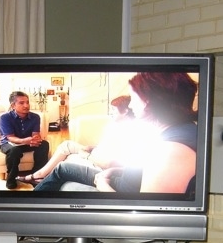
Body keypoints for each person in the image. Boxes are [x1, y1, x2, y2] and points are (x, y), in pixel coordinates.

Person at [34, 72, 198, 195]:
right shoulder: (173, 131)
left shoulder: (172, 150)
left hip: (115, 193)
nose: (131, 105)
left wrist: (102, 184)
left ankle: (26, 225)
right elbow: (143, 172)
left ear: (150, 101)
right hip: (118, 180)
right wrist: (118, 171)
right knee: (62, 169)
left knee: (64, 182)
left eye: (133, 98)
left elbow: (145, 214)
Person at [17, 95, 134, 186]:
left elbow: (111, 163)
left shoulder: (128, 132)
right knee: (66, 144)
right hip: (96, 153)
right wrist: (92, 147)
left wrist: (87, 156)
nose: (110, 112)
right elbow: (106, 146)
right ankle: (40, 174)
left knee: (64, 165)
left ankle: (37, 177)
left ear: (125, 111)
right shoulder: (116, 126)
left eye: (114, 109)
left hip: (98, 164)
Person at [0, 91, 49, 189]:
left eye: (27, 102)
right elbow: (10, 137)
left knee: (44, 144)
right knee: (14, 150)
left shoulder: (35, 117)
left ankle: (36, 175)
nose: (26, 105)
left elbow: (35, 134)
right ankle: (11, 178)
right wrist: (25, 140)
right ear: (13, 105)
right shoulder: (4, 118)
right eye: (21, 103)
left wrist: (35, 139)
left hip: (27, 142)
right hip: (9, 143)